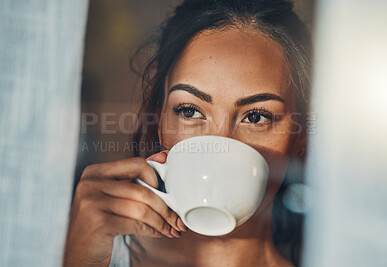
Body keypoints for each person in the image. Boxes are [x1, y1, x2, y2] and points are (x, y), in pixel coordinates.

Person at [63, 0, 312, 266]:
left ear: (301, 135)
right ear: (158, 117)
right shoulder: (94, 254)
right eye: (190, 111)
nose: (218, 149)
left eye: (256, 117)